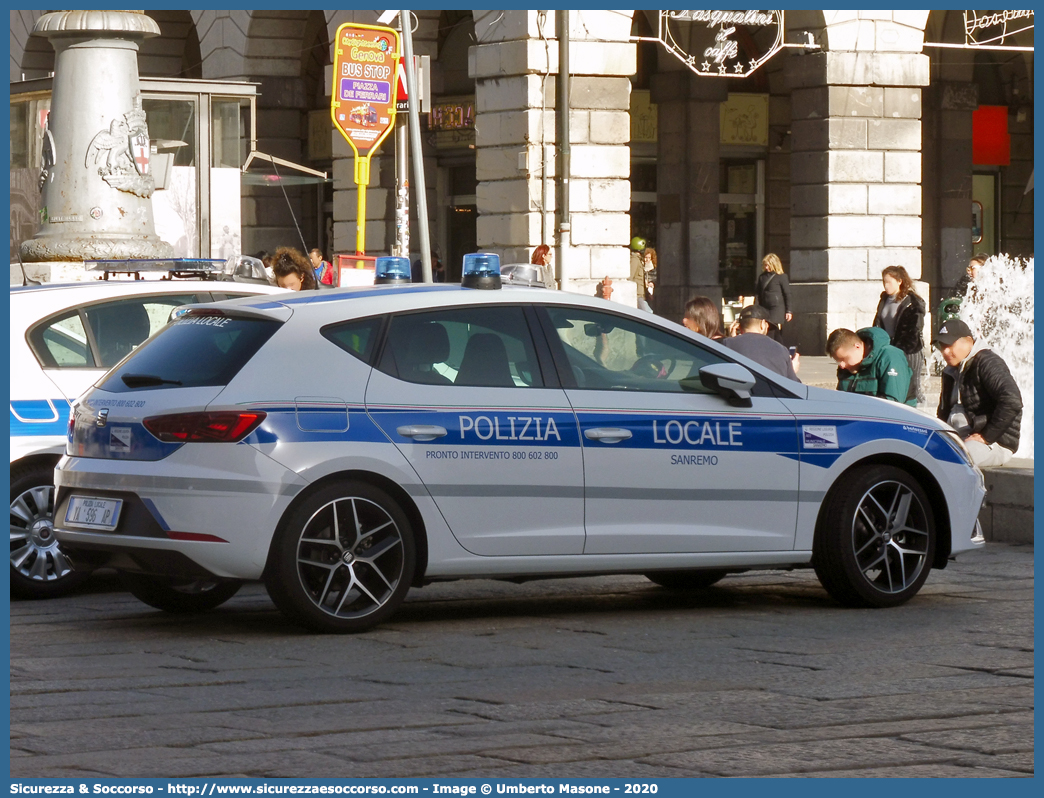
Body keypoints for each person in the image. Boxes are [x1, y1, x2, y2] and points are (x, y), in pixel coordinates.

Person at [933, 318, 1022, 467]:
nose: (945, 351)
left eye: (949, 345)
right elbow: (943, 412)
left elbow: (1012, 400)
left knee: (956, 460)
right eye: (942, 346)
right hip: (959, 438)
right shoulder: (949, 372)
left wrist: (986, 436)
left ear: (968, 341)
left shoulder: (987, 362)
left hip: (995, 442)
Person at [872, 265, 926, 405]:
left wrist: (901, 349)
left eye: (889, 282)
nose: (886, 285)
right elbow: (878, 323)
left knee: (912, 387)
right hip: (888, 348)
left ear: (899, 281)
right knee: (890, 383)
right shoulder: (884, 299)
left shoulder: (912, 302)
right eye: (884, 282)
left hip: (909, 350)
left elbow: (914, 329)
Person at [826, 326, 913, 405]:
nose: (842, 365)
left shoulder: (889, 357)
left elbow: (893, 404)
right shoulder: (848, 367)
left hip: (895, 419)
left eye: (844, 359)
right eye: (838, 361)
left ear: (857, 346)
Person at [722, 304, 800, 382]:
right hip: (769, 393)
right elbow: (795, 388)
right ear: (763, 324)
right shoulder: (781, 350)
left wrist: (732, 340)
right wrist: (791, 370)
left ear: (739, 327)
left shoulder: (727, 344)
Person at [754, 253, 792, 344]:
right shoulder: (762, 277)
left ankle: (775, 348)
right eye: (765, 265)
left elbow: (787, 294)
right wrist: (756, 307)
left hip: (777, 307)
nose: (766, 267)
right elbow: (758, 293)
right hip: (764, 307)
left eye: (768, 265)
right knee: (772, 331)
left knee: (772, 328)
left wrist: (789, 310)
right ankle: (779, 348)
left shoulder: (781, 277)